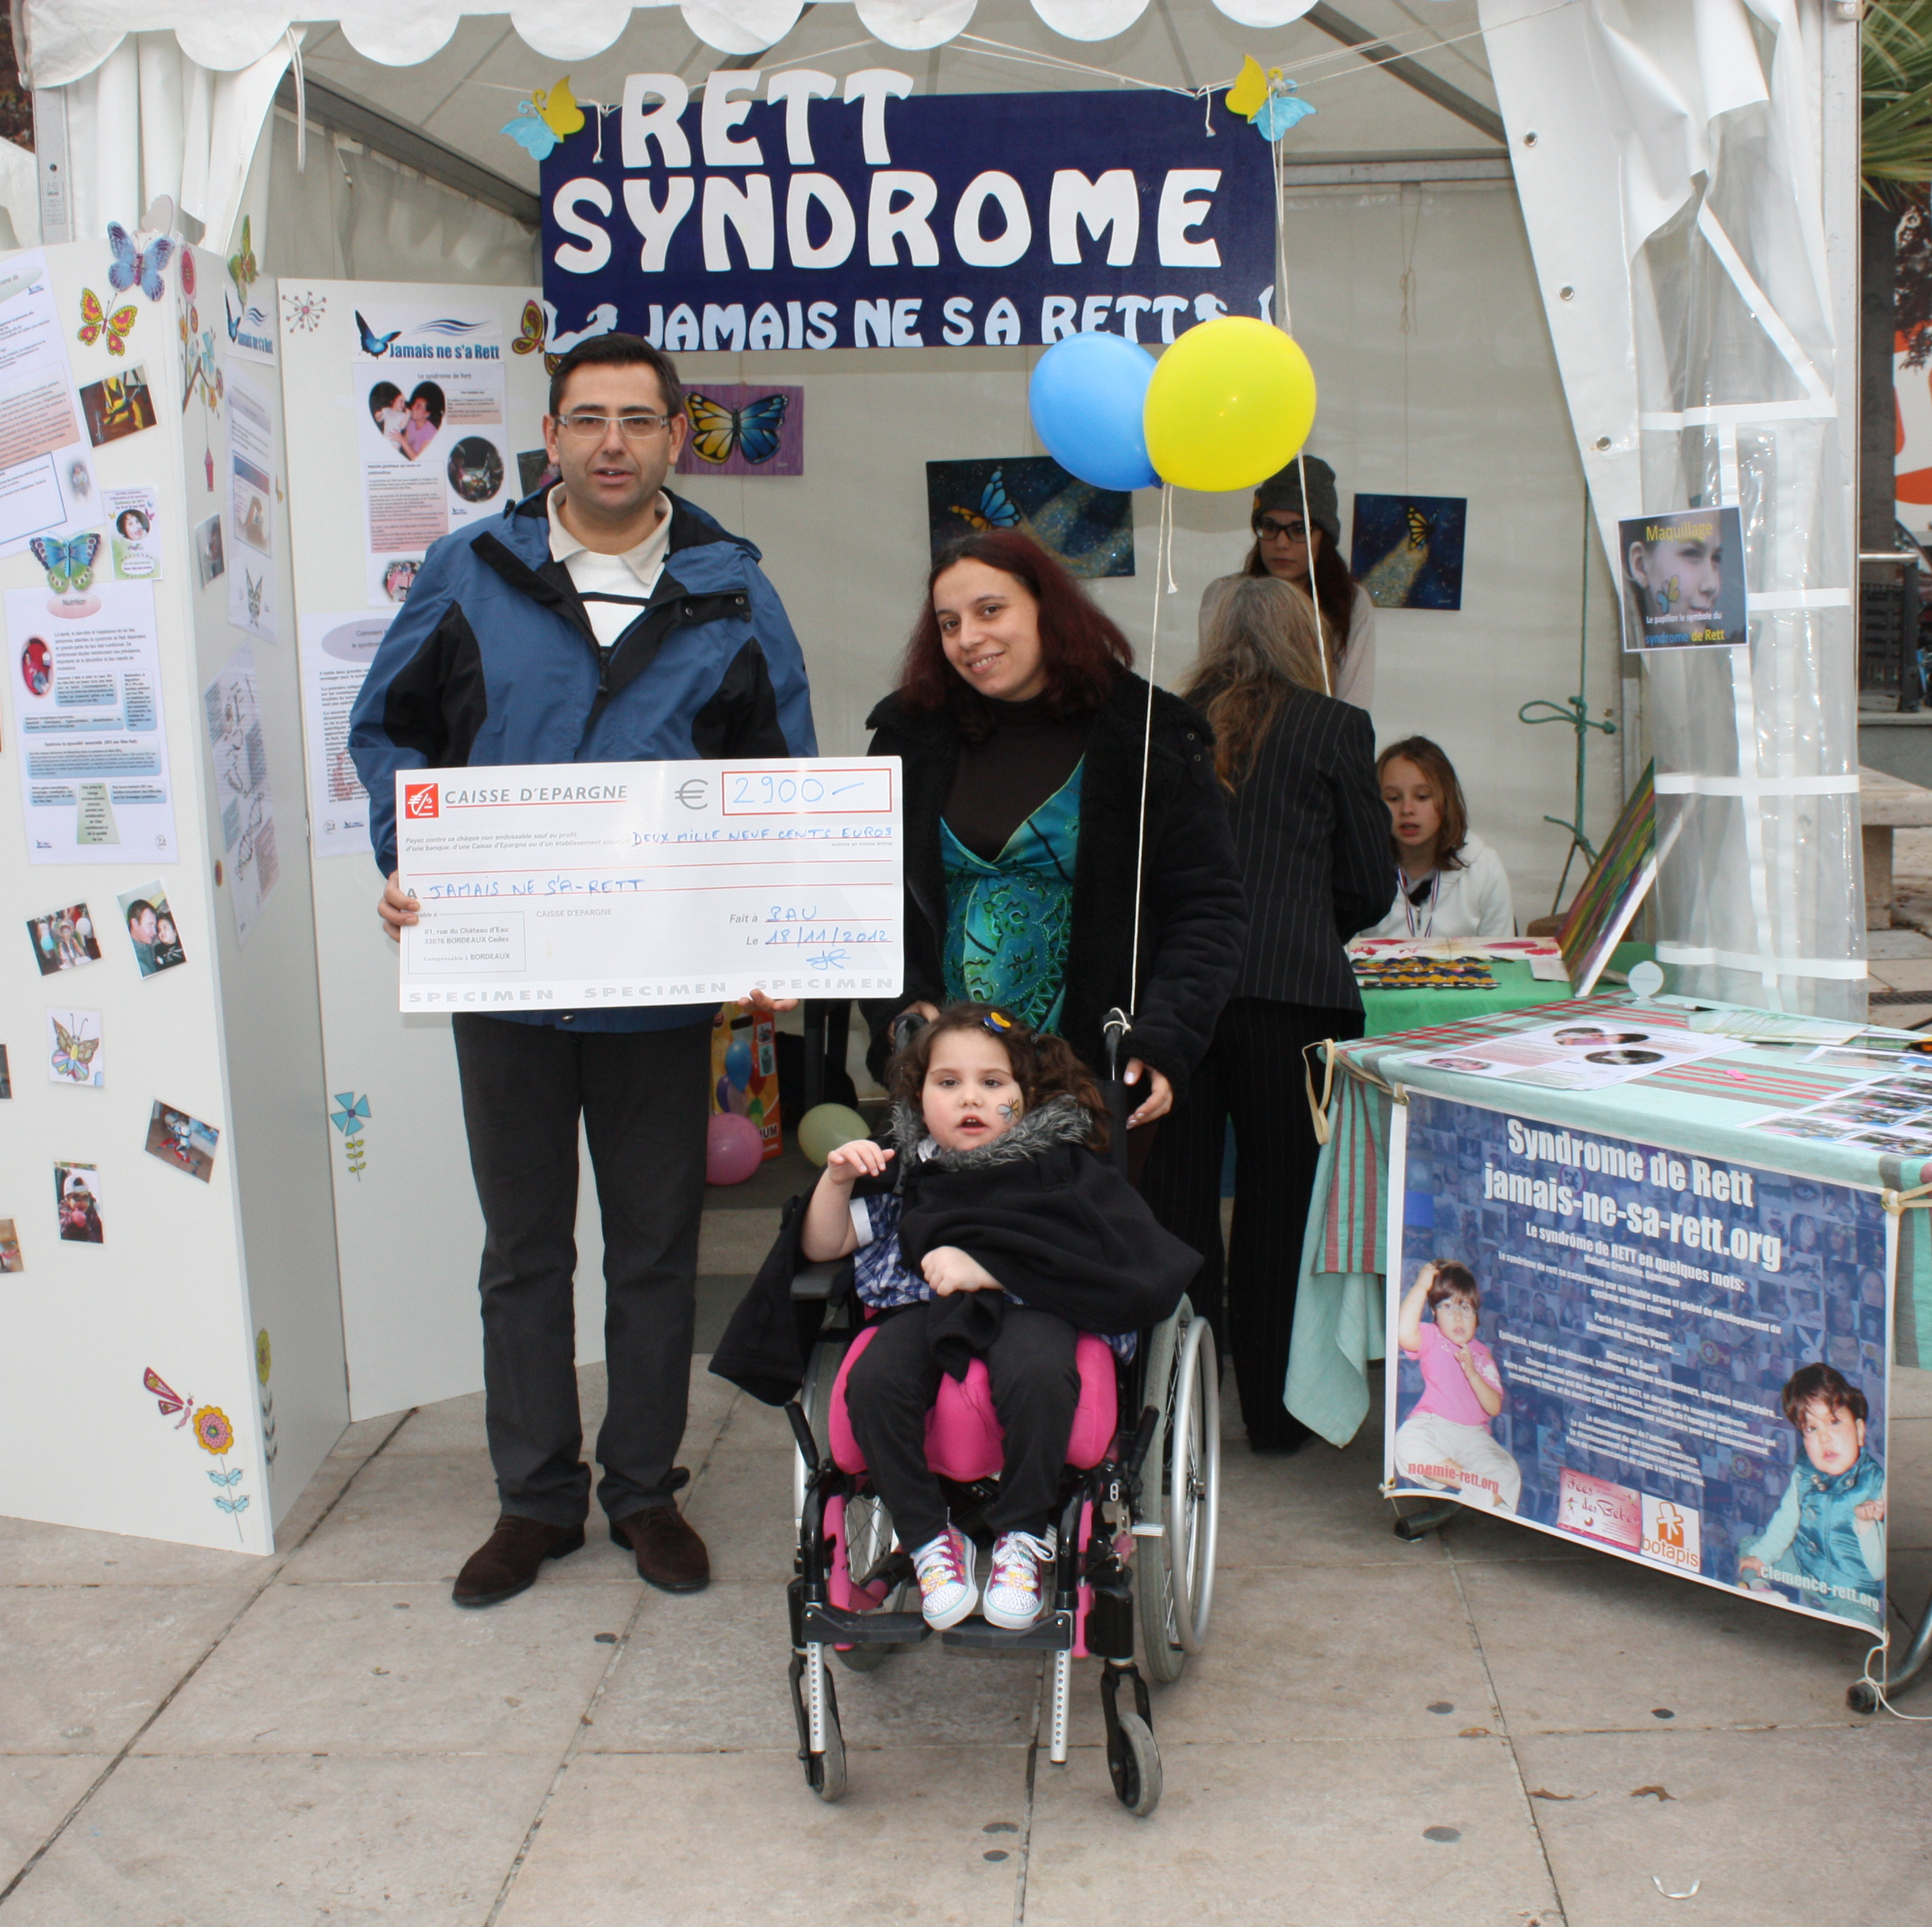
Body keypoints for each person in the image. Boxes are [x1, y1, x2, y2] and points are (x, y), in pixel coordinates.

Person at [349, 332, 816, 1611]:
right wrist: (410, 854)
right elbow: (385, 727)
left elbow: (780, 787)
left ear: (677, 436)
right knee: (523, 1247)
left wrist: (773, 941)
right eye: (588, 418)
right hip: (504, 977)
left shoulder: (732, 593)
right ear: (550, 438)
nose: (614, 440)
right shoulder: (471, 569)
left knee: (657, 1247)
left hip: (655, 988)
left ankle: (644, 1490)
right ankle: (536, 1499)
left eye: (639, 419)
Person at [793, 1005, 1197, 1629]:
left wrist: (992, 1269)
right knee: (873, 1382)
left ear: (1025, 1094)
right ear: (918, 1095)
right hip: (921, 1309)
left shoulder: (1059, 1171)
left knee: (1036, 1371)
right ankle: (930, 1541)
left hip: (1037, 1304)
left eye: (992, 1083)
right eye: (947, 1083)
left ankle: (1022, 1537)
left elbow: (1114, 1261)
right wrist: (839, 1180)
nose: (969, 1099)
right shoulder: (907, 1170)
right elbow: (825, 1246)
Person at [860, 529, 1245, 1148]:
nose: (969, 638)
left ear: (1048, 608)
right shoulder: (908, 737)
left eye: (990, 610)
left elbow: (1208, 910)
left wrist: (1167, 1035)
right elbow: (869, 901)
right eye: (949, 623)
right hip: (949, 1090)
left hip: (1098, 1080)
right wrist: (901, 1010)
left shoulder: (1147, 737)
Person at [1138, 576, 1393, 1453]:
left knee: (1174, 1204)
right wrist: (1307, 928)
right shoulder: (1336, 726)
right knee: (1281, 1208)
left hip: (1180, 996)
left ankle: (1172, 1404)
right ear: (1302, 640)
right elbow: (1369, 879)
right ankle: (1276, 1417)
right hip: (1297, 997)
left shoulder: (1162, 724)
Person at [1197, 455, 1375, 710]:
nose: (1281, 543)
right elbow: (1213, 692)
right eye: (1269, 527)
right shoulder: (1224, 595)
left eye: (1299, 529)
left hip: (1318, 741)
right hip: (1238, 738)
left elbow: (1354, 706)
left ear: (1324, 537)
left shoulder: (1352, 601)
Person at [1737, 1361, 1885, 1629]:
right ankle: (1761, 1589)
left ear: (1860, 1432)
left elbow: (1878, 1571)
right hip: (1804, 1572)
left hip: (1849, 1589)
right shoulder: (1804, 1473)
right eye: (1811, 1429)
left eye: (1834, 1423)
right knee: (1751, 1546)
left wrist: (1867, 1525)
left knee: (1865, 1620)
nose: (1824, 1439)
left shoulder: (1876, 1484)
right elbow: (1785, 1522)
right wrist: (1763, 1557)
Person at [1391, 1261, 1521, 1512]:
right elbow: (1404, 1333)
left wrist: (1473, 1374)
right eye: (1447, 1307)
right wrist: (1420, 1286)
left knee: (1509, 1471)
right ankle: (1471, 1483)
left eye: (1466, 1308)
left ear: (1477, 1317)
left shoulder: (1483, 1354)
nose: (1458, 1317)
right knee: (1406, 1444)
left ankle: (1474, 1489)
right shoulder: (1431, 1336)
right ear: (1434, 1313)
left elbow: (1494, 1407)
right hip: (1433, 1424)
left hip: (1474, 1437)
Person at [1362, 735, 1515, 940]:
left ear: (1447, 799)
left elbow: (1502, 959)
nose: (1407, 809)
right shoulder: (1359, 868)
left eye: (1423, 796)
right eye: (1393, 798)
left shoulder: (1484, 867)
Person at [125, 899, 159, 974]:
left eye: (155, 926)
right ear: (135, 924)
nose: (155, 932)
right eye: (149, 925)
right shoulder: (137, 964)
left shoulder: (145, 941)